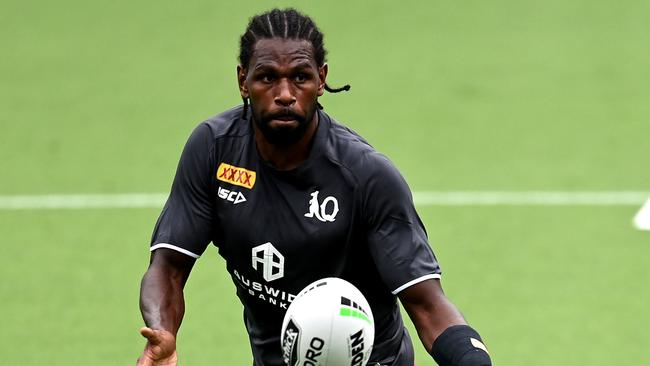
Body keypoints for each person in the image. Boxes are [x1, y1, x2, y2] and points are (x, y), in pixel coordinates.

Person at [137, 8, 492, 366]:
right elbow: (168, 265)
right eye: (267, 78)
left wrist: (470, 358)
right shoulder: (214, 150)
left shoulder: (365, 176)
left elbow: (428, 305)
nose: (285, 94)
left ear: (321, 80)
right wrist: (163, 332)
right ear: (243, 80)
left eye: (300, 78)